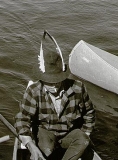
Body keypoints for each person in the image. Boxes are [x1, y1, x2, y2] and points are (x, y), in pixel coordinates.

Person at [15, 30, 96, 160]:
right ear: (41, 78)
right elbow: (22, 120)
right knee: (46, 150)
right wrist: (30, 145)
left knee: (83, 140)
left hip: (69, 134)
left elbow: (89, 113)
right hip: (46, 134)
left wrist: (86, 132)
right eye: (49, 81)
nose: (54, 85)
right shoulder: (33, 91)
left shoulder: (78, 88)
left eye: (57, 80)